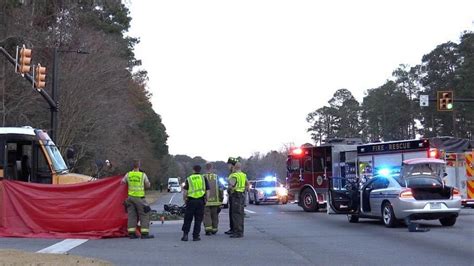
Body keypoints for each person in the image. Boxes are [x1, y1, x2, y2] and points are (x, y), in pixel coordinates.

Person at [121, 159, 154, 239]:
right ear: (139, 165)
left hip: (130, 198)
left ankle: (131, 234)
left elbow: (122, 182)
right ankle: (144, 234)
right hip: (140, 198)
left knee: (132, 215)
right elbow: (147, 185)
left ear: (132, 166)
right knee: (144, 214)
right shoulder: (143, 175)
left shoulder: (128, 174)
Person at [181, 165, 209, 241]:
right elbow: (207, 190)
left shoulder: (189, 178)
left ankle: (185, 235)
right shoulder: (203, 178)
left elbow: (185, 191)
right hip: (200, 201)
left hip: (191, 201)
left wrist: (185, 199)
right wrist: (206, 199)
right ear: (200, 170)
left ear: (193, 170)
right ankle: (196, 236)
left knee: (188, 219)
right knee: (198, 219)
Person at [227, 157, 248, 238]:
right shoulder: (243, 175)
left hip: (235, 195)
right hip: (242, 195)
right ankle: (240, 231)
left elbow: (230, 186)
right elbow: (247, 185)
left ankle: (237, 232)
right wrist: (244, 190)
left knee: (235, 214)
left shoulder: (234, 175)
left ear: (234, 167)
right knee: (241, 214)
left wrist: (230, 191)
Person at [203, 163, 222, 235]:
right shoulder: (216, 177)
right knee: (215, 215)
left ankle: (208, 230)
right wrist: (221, 199)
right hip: (215, 201)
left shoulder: (203, 177)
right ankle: (214, 229)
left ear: (205, 169)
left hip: (206, 200)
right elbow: (220, 189)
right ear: (212, 168)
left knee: (207, 215)